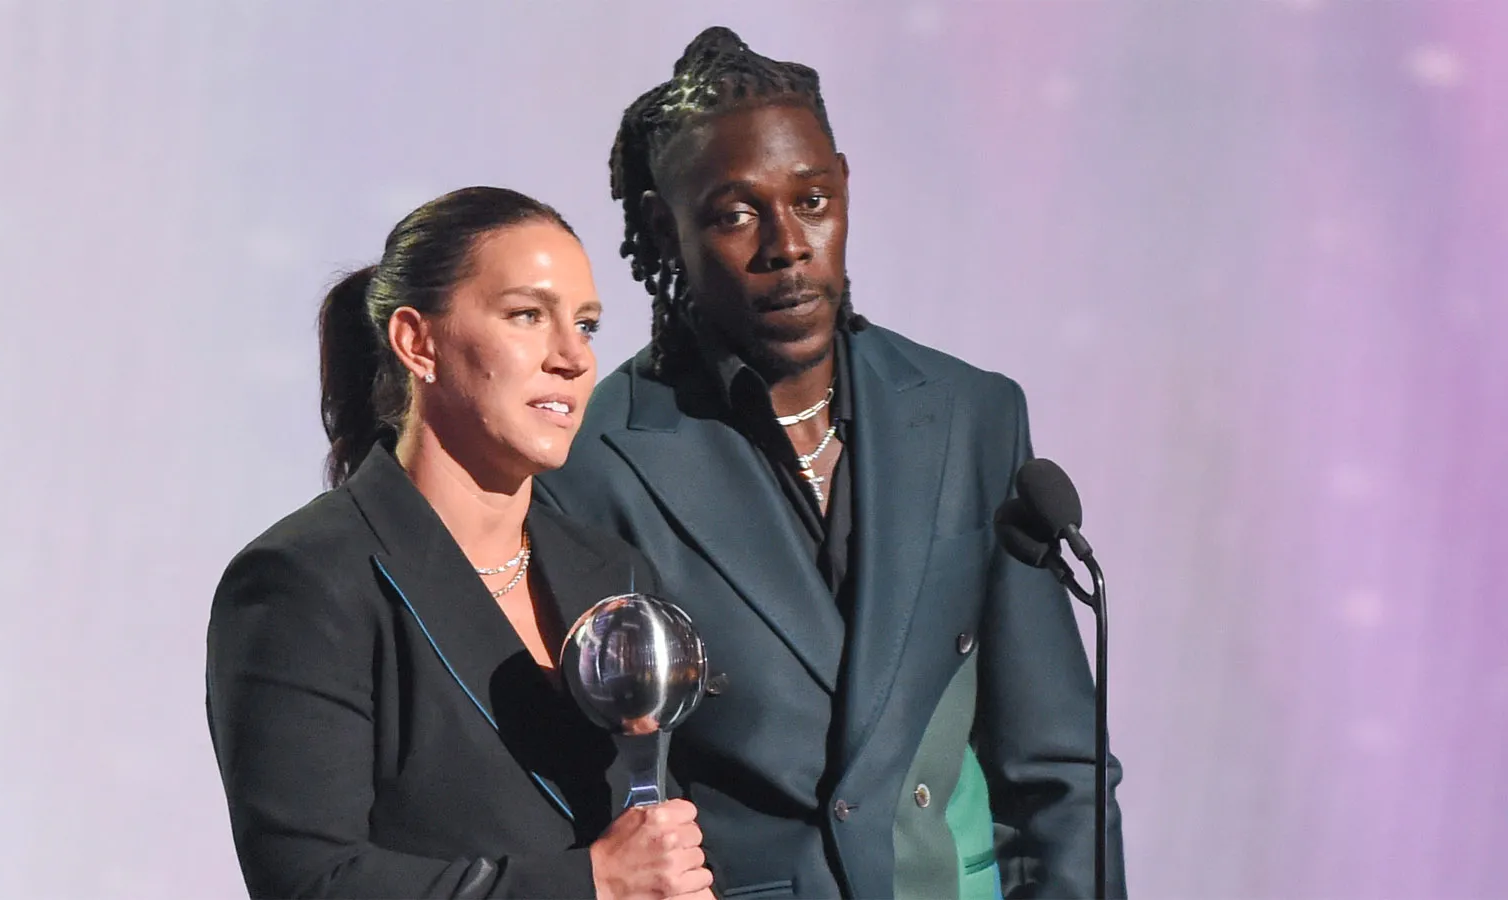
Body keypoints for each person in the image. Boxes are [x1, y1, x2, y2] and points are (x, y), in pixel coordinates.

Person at [534, 29, 1126, 900]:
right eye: (736, 214)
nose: (788, 244)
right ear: (665, 227)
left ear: (844, 188)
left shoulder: (969, 416)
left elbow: (1060, 770)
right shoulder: (594, 461)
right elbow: (598, 794)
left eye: (811, 200)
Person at [205, 186, 714, 900]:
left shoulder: (610, 570)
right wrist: (588, 885)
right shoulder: (304, 580)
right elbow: (310, 882)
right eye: (528, 315)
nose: (572, 357)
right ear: (419, 342)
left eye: (588, 325)